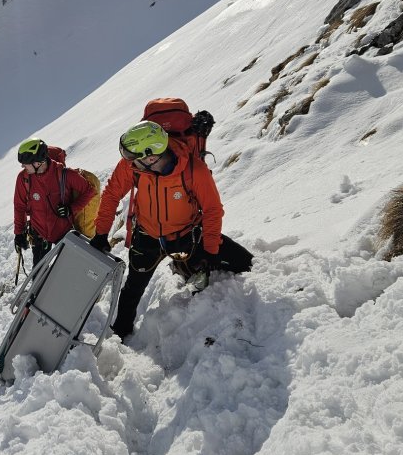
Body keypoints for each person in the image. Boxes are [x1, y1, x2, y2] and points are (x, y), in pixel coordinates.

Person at [89, 121, 252, 341]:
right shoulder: (133, 166)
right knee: (134, 286)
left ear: (151, 156)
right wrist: (101, 233)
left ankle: (192, 274)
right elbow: (111, 195)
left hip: (187, 235)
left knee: (245, 263)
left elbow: (212, 210)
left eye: (135, 158)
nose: (129, 163)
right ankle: (121, 332)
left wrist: (211, 249)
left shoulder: (194, 170)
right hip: (147, 236)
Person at [13, 138, 97, 266]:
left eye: (25, 163)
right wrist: (19, 233)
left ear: (38, 162)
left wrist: (71, 208)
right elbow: (19, 206)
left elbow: (90, 191)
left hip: (63, 232)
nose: (23, 166)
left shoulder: (65, 174)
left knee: (66, 271)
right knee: (39, 275)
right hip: (39, 233)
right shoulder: (24, 178)